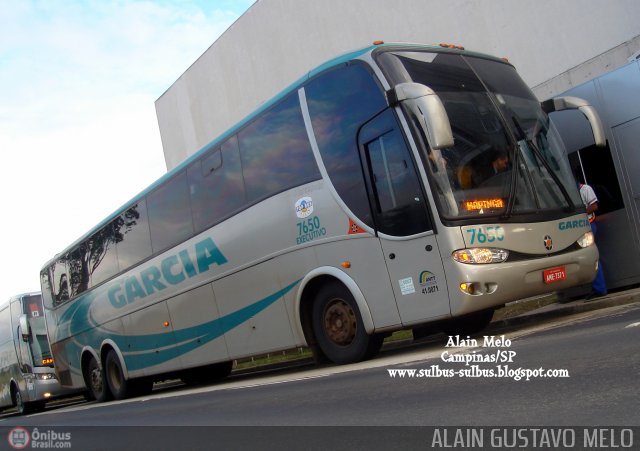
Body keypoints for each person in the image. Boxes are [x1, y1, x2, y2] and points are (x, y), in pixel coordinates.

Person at [579, 181, 607, 299]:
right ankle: (596, 287)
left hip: (589, 225)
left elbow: (594, 206)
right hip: (578, 227)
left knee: (592, 256)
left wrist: (579, 213)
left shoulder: (585, 189)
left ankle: (599, 288)